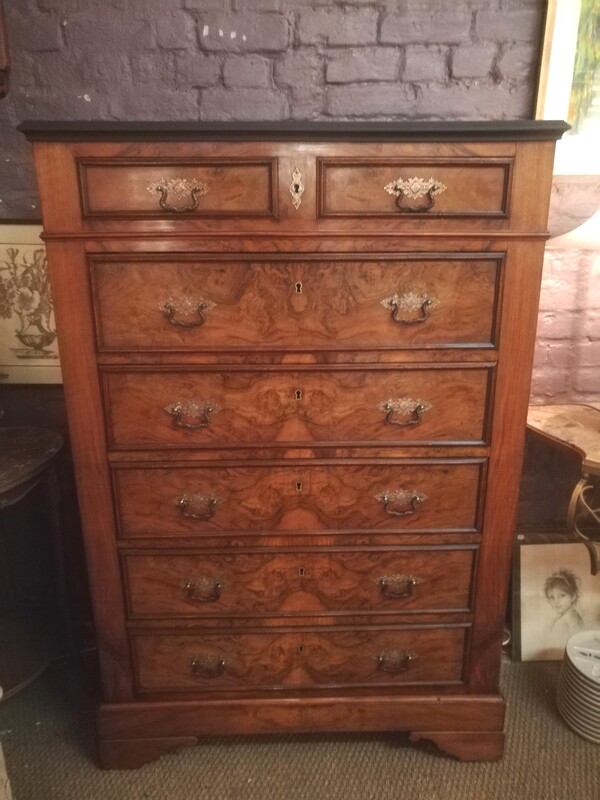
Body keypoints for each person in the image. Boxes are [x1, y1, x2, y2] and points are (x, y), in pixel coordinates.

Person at [544, 569, 585, 648]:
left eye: (562, 596)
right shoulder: (564, 616)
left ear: (573, 596)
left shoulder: (569, 620)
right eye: (552, 597)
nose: (556, 601)